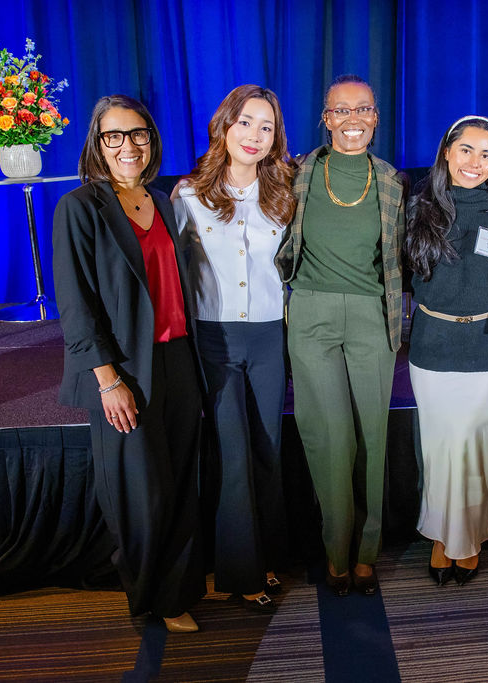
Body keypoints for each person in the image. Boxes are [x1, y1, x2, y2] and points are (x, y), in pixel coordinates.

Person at [53, 95, 206, 633]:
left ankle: (178, 590)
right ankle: (151, 597)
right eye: (114, 136)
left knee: (183, 480)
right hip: (125, 370)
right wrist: (107, 380)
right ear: (97, 144)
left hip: (178, 359)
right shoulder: (80, 207)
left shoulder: (162, 202)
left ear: (151, 141)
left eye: (138, 134)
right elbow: (76, 306)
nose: (128, 146)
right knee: (142, 491)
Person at [275, 75, 405, 597]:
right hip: (311, 313)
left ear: (376, 117)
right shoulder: (296, 173)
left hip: (373, 315)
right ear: (325, 118)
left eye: (364, 109)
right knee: (331, 437)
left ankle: (367, 553)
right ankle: (336, 551)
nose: (353, 119)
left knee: (373, 437)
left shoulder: (393, 181)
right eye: (341, 110)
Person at [172, 85, 296, 610]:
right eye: (245, 122)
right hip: (214, 338)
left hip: (271, 335)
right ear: (224, 126)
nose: (255, 135)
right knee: (232, 452)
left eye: (266, 127)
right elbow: (172, 278)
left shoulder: (287, 193)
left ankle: (268, 559)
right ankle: (235, 573)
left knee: (268, 449)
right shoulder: (188, 195)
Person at [405, 115, 488, 586]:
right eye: (466, 150)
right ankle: (441, 536)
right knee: (438, 446)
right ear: (447, 153)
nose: (475, 162)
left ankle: (470, 537)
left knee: (478, 444)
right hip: (432, 345)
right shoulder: (419, 205)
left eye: (487, 154)